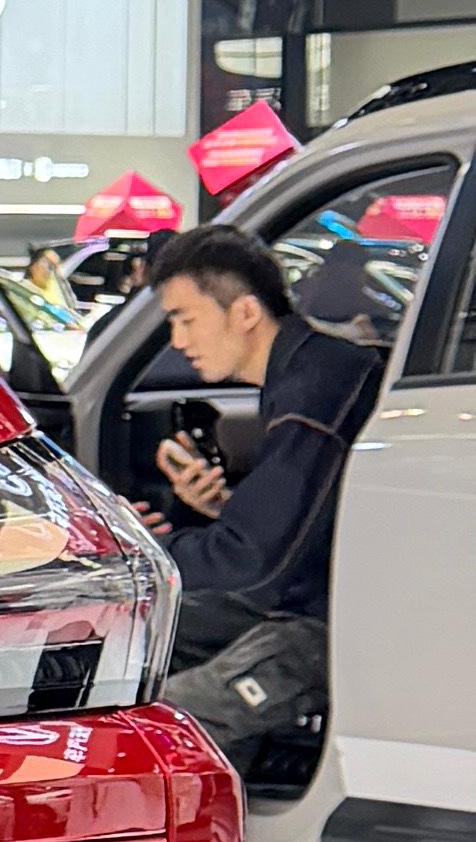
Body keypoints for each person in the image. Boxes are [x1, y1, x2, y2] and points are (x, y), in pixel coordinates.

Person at [142, 224, 380, 760]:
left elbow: (253, 562)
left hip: (332, 622)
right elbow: (304, 526)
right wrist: (223, 510)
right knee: (132, 639)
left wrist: (137, 558)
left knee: (163, 728)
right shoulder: (305, 374)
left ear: (245, 312)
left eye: (185, 319)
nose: (178, 341)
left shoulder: (313, 394)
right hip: (309, 596)